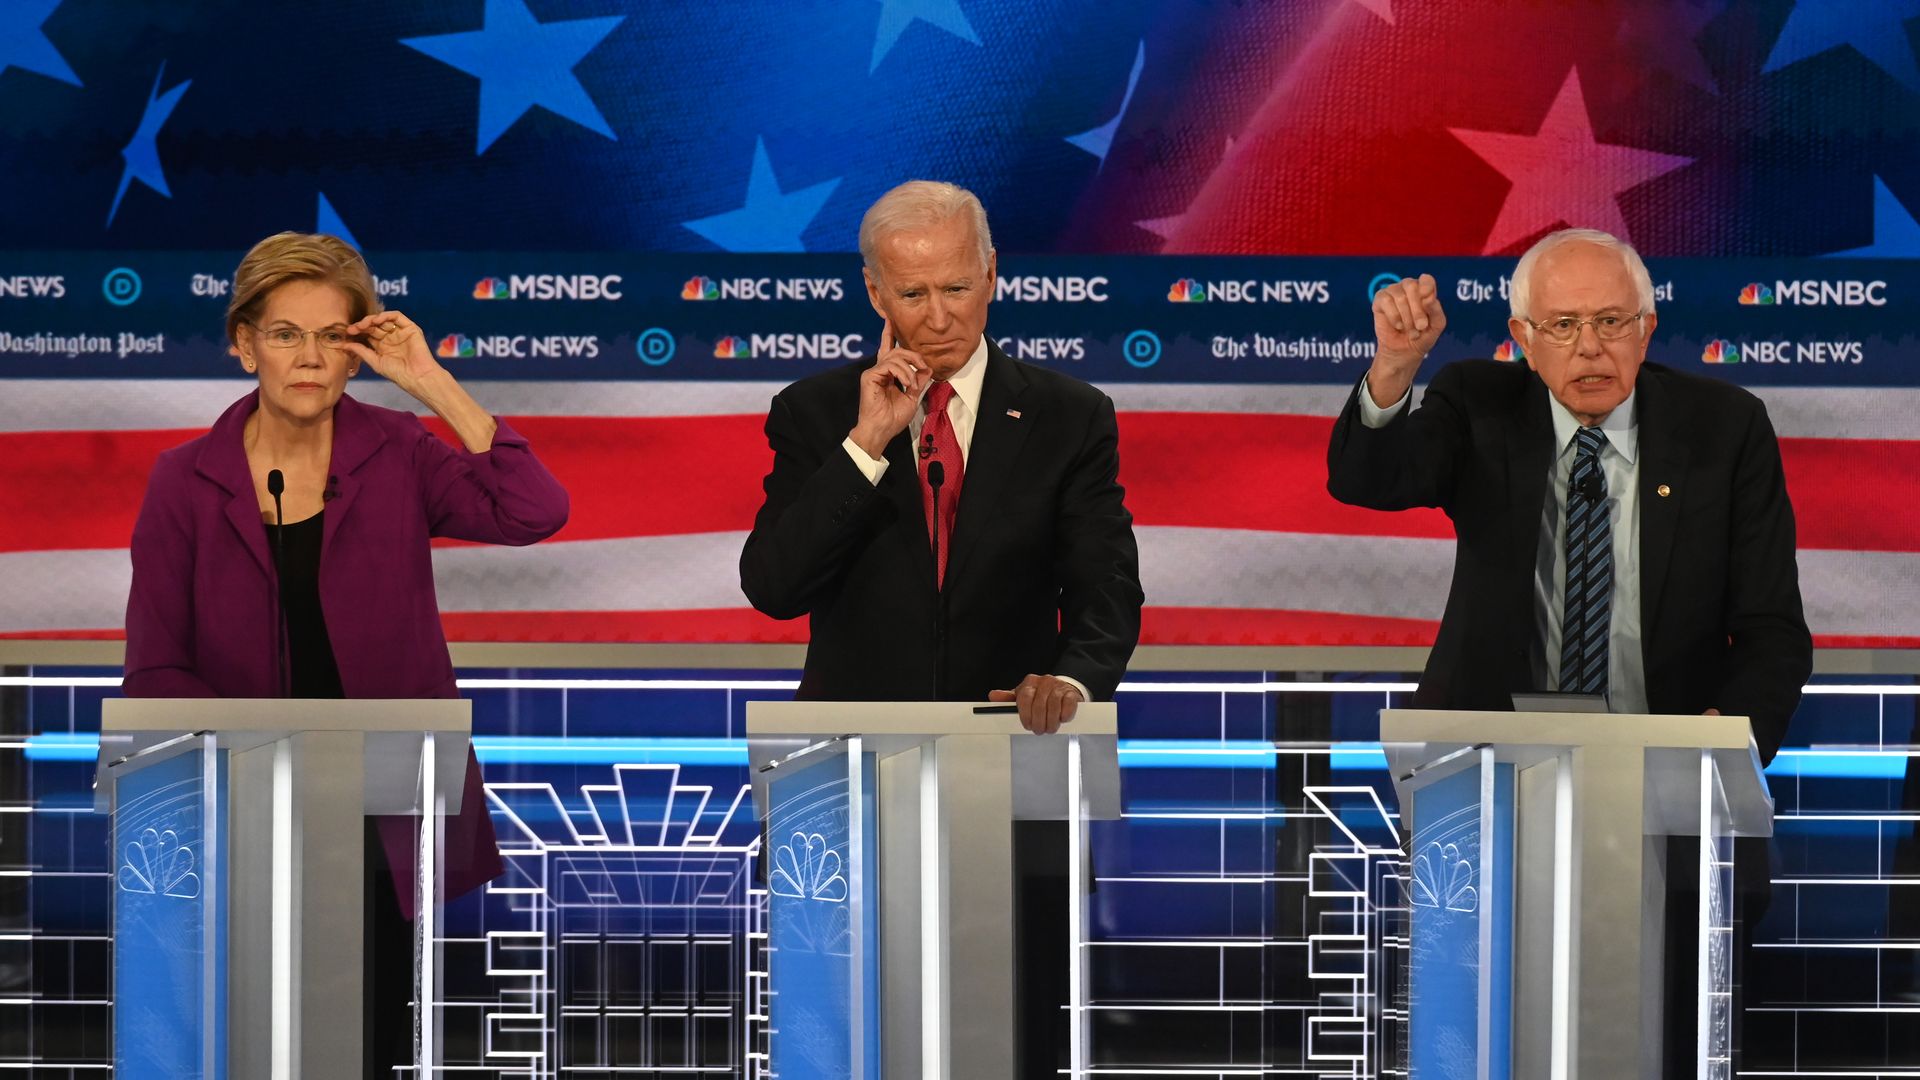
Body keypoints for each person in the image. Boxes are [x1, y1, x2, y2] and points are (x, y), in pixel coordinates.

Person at [1327, 226, 1812, 1070]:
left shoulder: (1724, 428)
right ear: (1521, 339)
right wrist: (1396, 368)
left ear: (1649, 328)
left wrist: (1717, 746)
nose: (1590, 347)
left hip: (1667, 796)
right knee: (1473, 1038)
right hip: (1485, 790)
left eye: (1612, 322)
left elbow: (1773, 631)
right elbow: (1369, 481)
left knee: (1666, 1038)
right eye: (1561, 326)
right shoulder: (1477, 403)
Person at [123, 231, 570, 1070]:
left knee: (364, 1035)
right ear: (242, 343)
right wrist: (251, 774)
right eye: (286, 334)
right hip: (240, 804)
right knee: (241, 1032)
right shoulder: (182, 479)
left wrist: (431, 382)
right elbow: (156, 662)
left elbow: (533, 511)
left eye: (334, 336)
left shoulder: (396, 452)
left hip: (380, 802)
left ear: (359, 350)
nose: (309, 357)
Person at [739, 180, 1143, 1075]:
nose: (936, 317)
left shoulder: (1071, 417)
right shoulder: (816, 415)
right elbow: (772, 586)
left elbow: (1108, 587)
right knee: (834, 1037)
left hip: (1008, 776)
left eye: (956, 288)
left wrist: (1072, 681)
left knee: (1012, 1031)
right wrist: (867, 444)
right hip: (840, 788)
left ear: (993, 275)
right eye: (911, 294)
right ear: (875, 293)